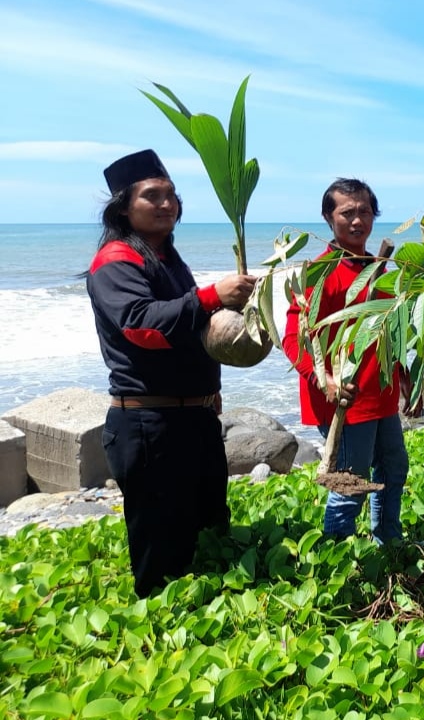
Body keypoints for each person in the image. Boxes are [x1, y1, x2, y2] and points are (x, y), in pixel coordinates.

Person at [87, 149, 257, 596]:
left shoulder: (166, 258)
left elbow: (191, 334)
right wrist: (210, 296)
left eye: (172, 196)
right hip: (150, 425)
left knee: (208, 527)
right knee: (162, 550)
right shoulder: (116, 259)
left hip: (192, 419)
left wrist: (211, 390)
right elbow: (143, 324)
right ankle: (159, 633)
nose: (166, 204)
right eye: (152, 196)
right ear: (124, 207)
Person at [282, 178, 409, 543]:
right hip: (345, 400)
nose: (357, 221)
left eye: (365, 212)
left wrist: (402, 372)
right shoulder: (318, 273)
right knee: (349, 487)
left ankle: (388, 543)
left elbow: (387, 328)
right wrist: (324, 380)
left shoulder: (377, 267)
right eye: (347, 213)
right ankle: (334, 558)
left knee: (393, 469)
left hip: (379, 393)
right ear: (328, 217)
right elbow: (294, 338)